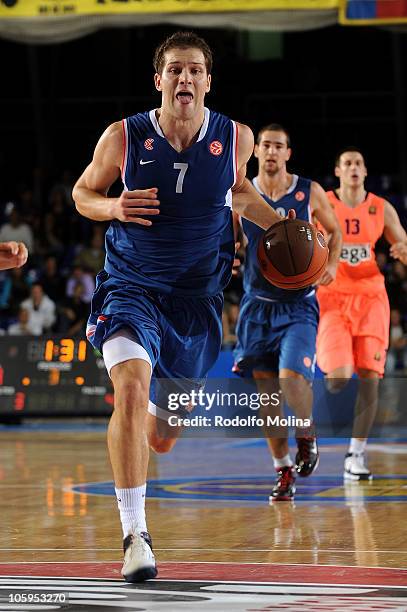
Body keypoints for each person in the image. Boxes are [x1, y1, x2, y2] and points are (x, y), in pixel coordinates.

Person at [72, 31, 285, 583]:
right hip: (131, 287)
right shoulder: (124, 137)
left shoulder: (237, 137)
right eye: (175, 70)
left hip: (197, 301)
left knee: (163, 435)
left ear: (208, 81)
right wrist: (114, 204)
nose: (184, 79)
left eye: (195, 70)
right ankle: (134, 535)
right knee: (131, 387)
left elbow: (237, 192)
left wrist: (284, 230)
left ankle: (136, 433)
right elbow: (81, 194)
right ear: (159, 80)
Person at [233, 123, 342, 501]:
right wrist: (229, 258)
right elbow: (232, 240)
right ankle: (282, 470)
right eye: (266, 145)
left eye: (279, 146)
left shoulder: (307, 190)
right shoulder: (240, 191)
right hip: (256, 306)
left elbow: (334, 229)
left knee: (292, 377)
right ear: (256, 151)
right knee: (267, 397)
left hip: (298, 305)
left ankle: (307, 431)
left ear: (288, 153)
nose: (272, 152)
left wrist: (332, 263)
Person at [316, 146, 407, 480]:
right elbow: (301, 242)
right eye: (347, 163)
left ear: (365, 172)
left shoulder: (380, 208)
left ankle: (356, 454)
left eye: (358, 163)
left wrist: (402, 252)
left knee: (370, 378)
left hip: (371, 298)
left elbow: (406, 248)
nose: (353, 167)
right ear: (338, 172)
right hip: (333, 295)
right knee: (339, 379)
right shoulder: (322, 203)